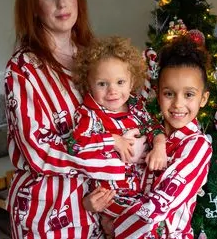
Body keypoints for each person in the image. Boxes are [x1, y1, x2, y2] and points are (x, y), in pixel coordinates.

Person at [4, 0, 126, 239]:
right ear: (33, 7)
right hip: (48, 213)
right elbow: (38, 149)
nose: (62, 3)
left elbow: (122, 109)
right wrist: (110, 146)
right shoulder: (22, 69)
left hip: (101, 208)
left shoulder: (95, 55)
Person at [112, 35, 214, 238]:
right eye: (169, 94)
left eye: (189, 95)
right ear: (158, 94)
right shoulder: (145, 134)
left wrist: (116, 226)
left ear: (203, 99)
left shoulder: (198, 146)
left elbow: (161, 202)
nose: (177, 104)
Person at [68, 36, 168, 232]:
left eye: (120, 82)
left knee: (157, 221)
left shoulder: (137, 107)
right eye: (102, 84)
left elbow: (154, 127)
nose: (112, 90)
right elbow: (75, 145)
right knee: (144, 224)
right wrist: (113, 140)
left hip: (143, 192)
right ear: (89, 84)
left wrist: (159, 146)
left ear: (131, 83)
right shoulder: (90, 114)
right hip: (111, 196)